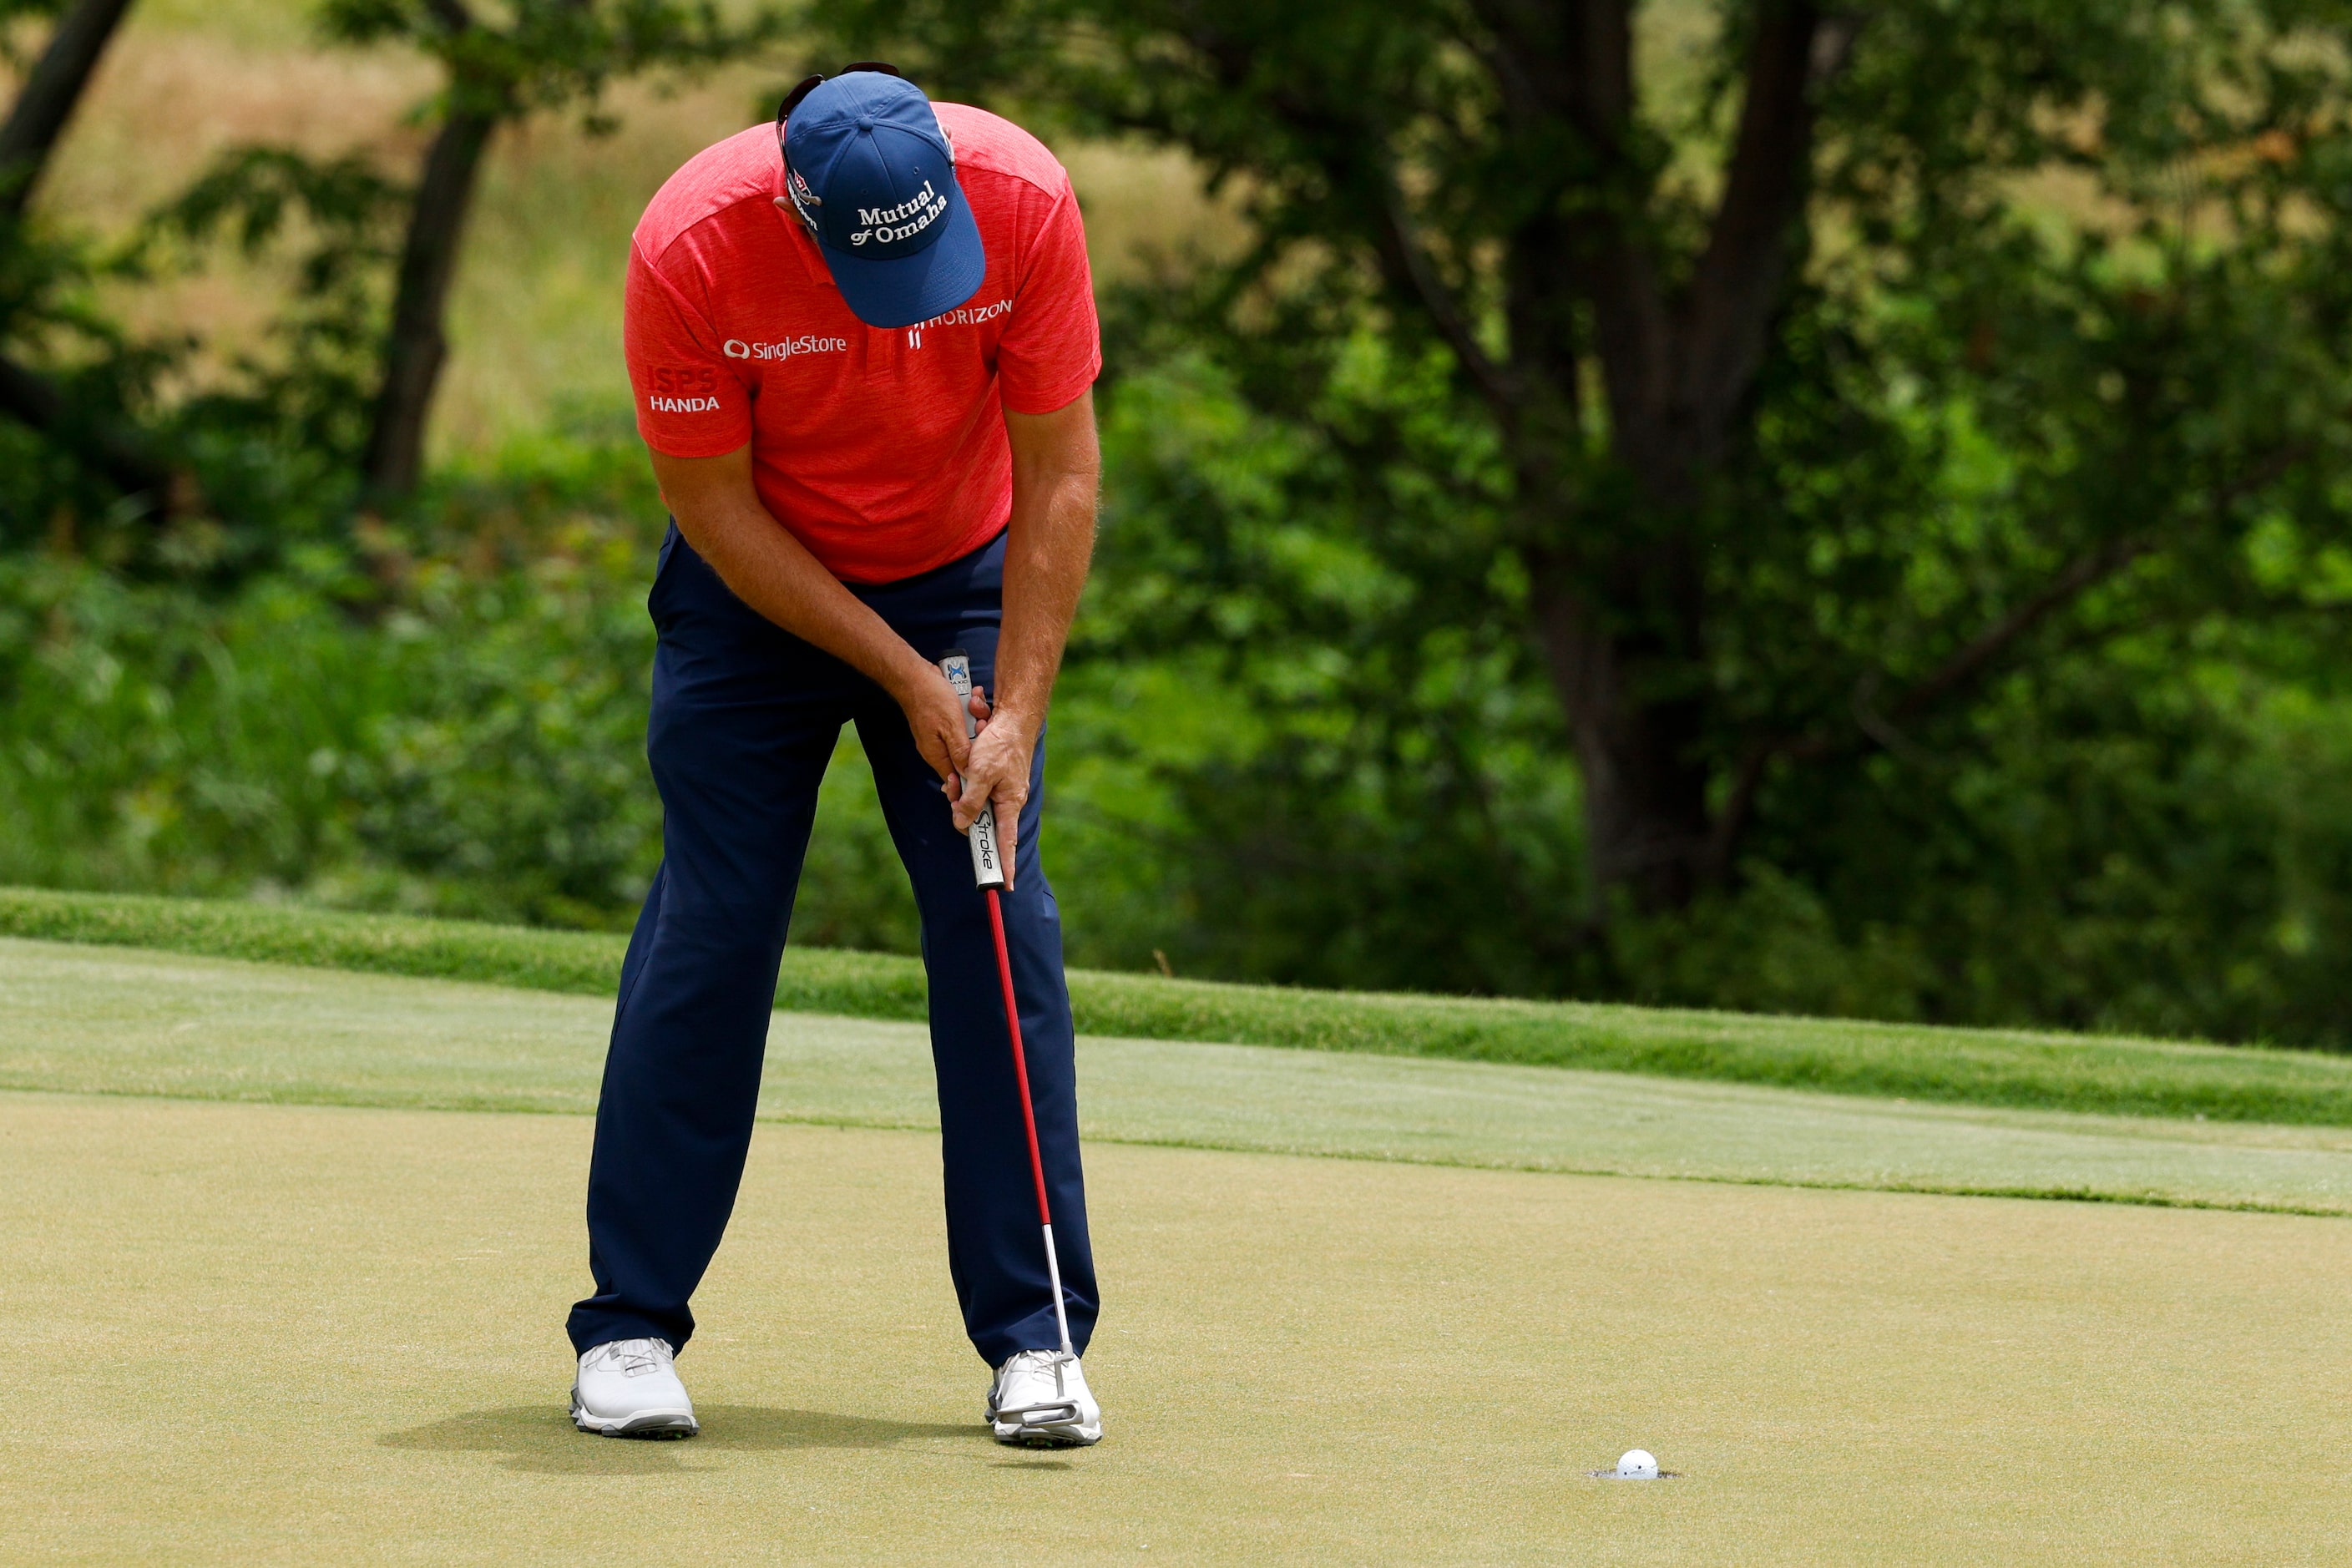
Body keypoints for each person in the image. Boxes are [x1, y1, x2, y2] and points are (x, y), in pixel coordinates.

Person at [564, 66, 1105, 1448]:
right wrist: (900, 675)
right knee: (720, 920)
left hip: (962, 572)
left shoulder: (1028, 201)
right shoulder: (689, 247)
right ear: (801, 219)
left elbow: (1059, 471)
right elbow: (711, 505)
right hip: (758, 593)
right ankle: (628, 1324)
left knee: (994, 918)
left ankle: (1036, 1336)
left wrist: (1013, 713)